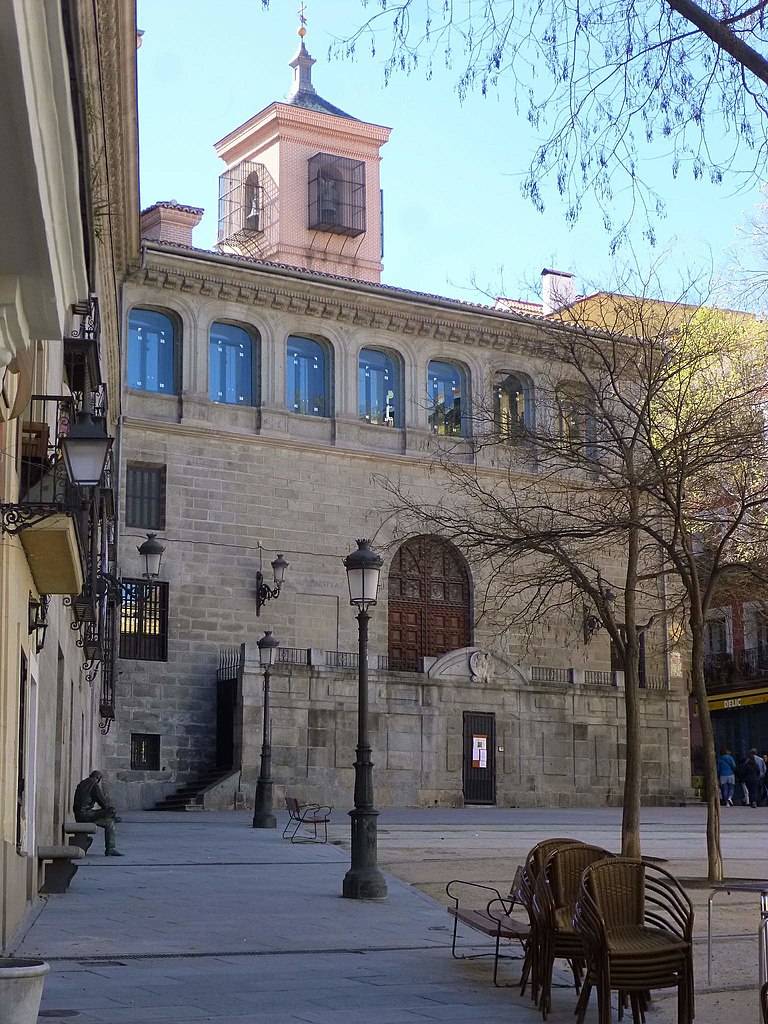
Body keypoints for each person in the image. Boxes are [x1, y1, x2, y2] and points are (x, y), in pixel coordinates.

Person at [73, 771, 123, 855]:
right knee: (110, 821)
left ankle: (112, 818)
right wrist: (109, 812)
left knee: (108, 814)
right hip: (86, 815)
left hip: (78, 815)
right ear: (98, 778)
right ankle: (110, 848)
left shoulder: (82, 783)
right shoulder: (94, 785)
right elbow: (103, 802)